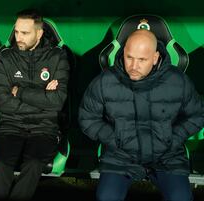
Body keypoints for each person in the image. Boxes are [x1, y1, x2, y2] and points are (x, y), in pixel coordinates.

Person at [78, 29, 204, 201]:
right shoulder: (104, 81)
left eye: (142, 59)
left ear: (155, 58)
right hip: (121, 157)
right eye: (129, 57)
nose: (133, 66)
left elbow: (197, 115)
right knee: (106, 197)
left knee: (180, 198)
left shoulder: (178, 81)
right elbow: (87, 118)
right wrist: (116, 139)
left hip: (167, 157)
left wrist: (172, 138)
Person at [0, 9, 70, 200]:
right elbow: (3, 102)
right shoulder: (6, 58)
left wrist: (20, 92)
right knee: (1, 163)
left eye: (25, 33)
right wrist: (43, 98)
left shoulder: (57, 57)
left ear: (39, 33)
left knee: (33, 164)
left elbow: (57, 101)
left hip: (45, 127)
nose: (19, 37)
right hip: (11, 125)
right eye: (17, 32)